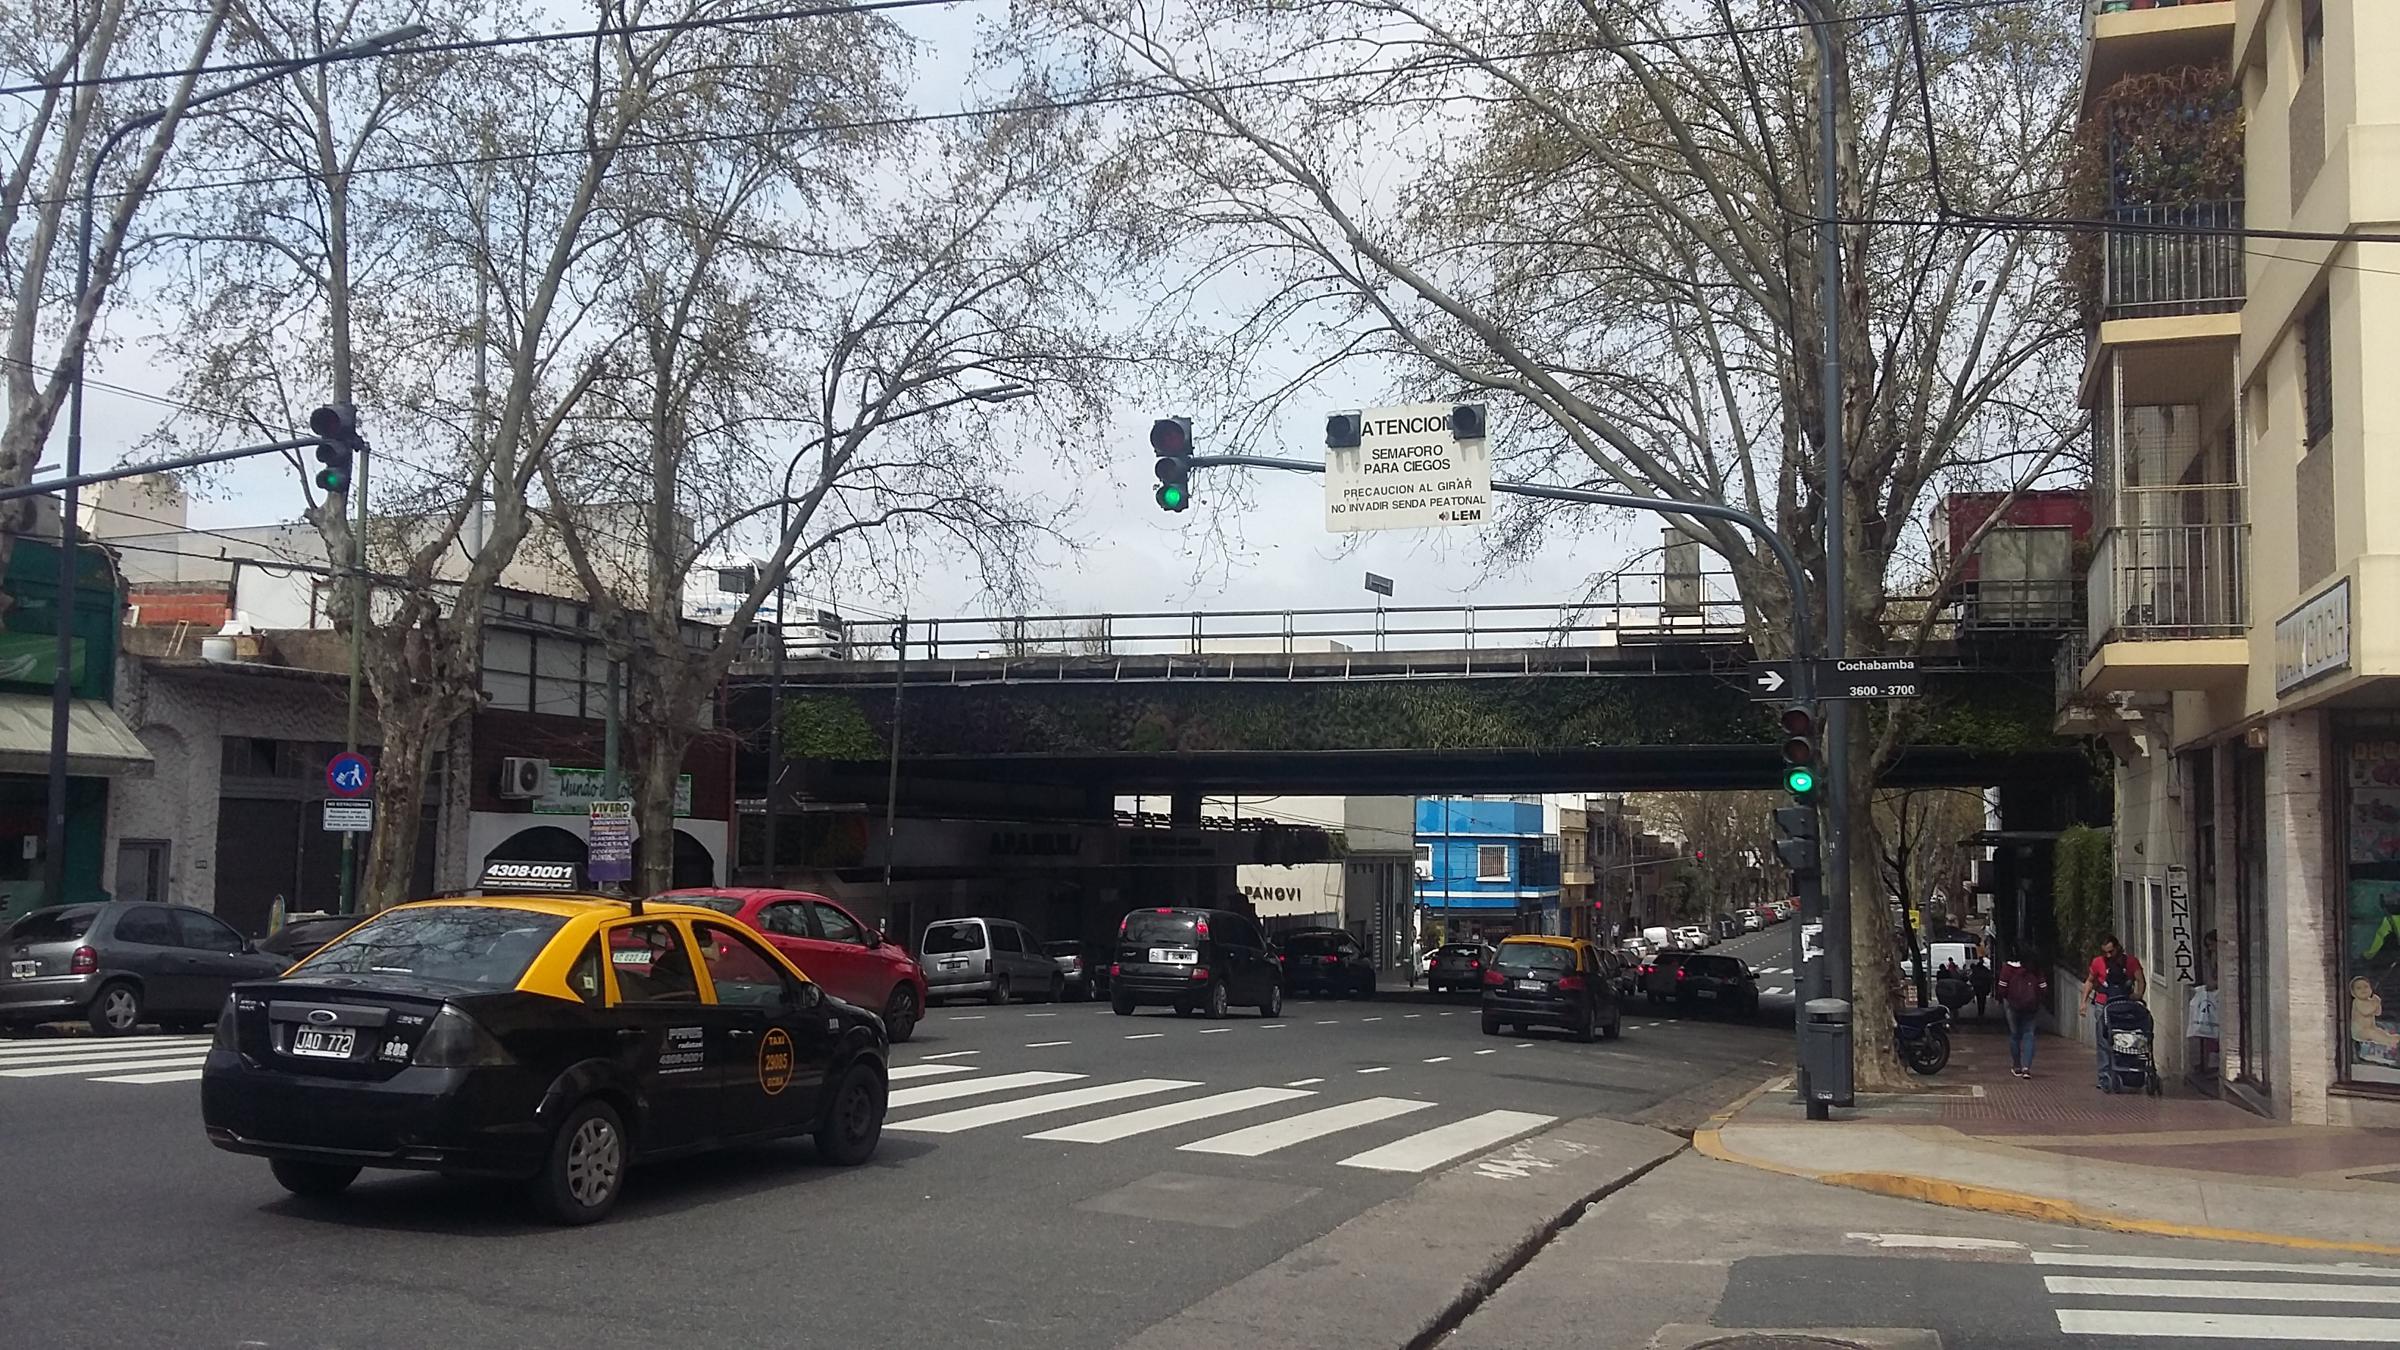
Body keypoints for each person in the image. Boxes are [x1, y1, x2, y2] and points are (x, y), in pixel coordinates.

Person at [2080, 935, 2146, 1090]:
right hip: (2103, 1004)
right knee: (2103, 1041)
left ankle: (2127, 1071)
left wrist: (2138, 995)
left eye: (2111, 951)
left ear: (2118, 947)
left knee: (2127, 1037)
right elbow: (2090, 980)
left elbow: (2140, 979)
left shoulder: (2131, 962)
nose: (2108, 955)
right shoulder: (2098, 962)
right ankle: (2104, 1077)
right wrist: (2083, 1002)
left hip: (2125, 1004)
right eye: (2106, 953)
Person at [1996, 955, 2048, 1078]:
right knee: (2029, 1035)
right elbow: (2043, 988)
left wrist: (2008, 999)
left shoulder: (2008, 968)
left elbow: (2001, 989)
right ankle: (2026, 1068)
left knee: (2015, 1035)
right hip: (2031, 1007)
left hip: (2012, 1006)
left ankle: (2017, 1066)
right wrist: (2036, 1000)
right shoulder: (2035, 967)